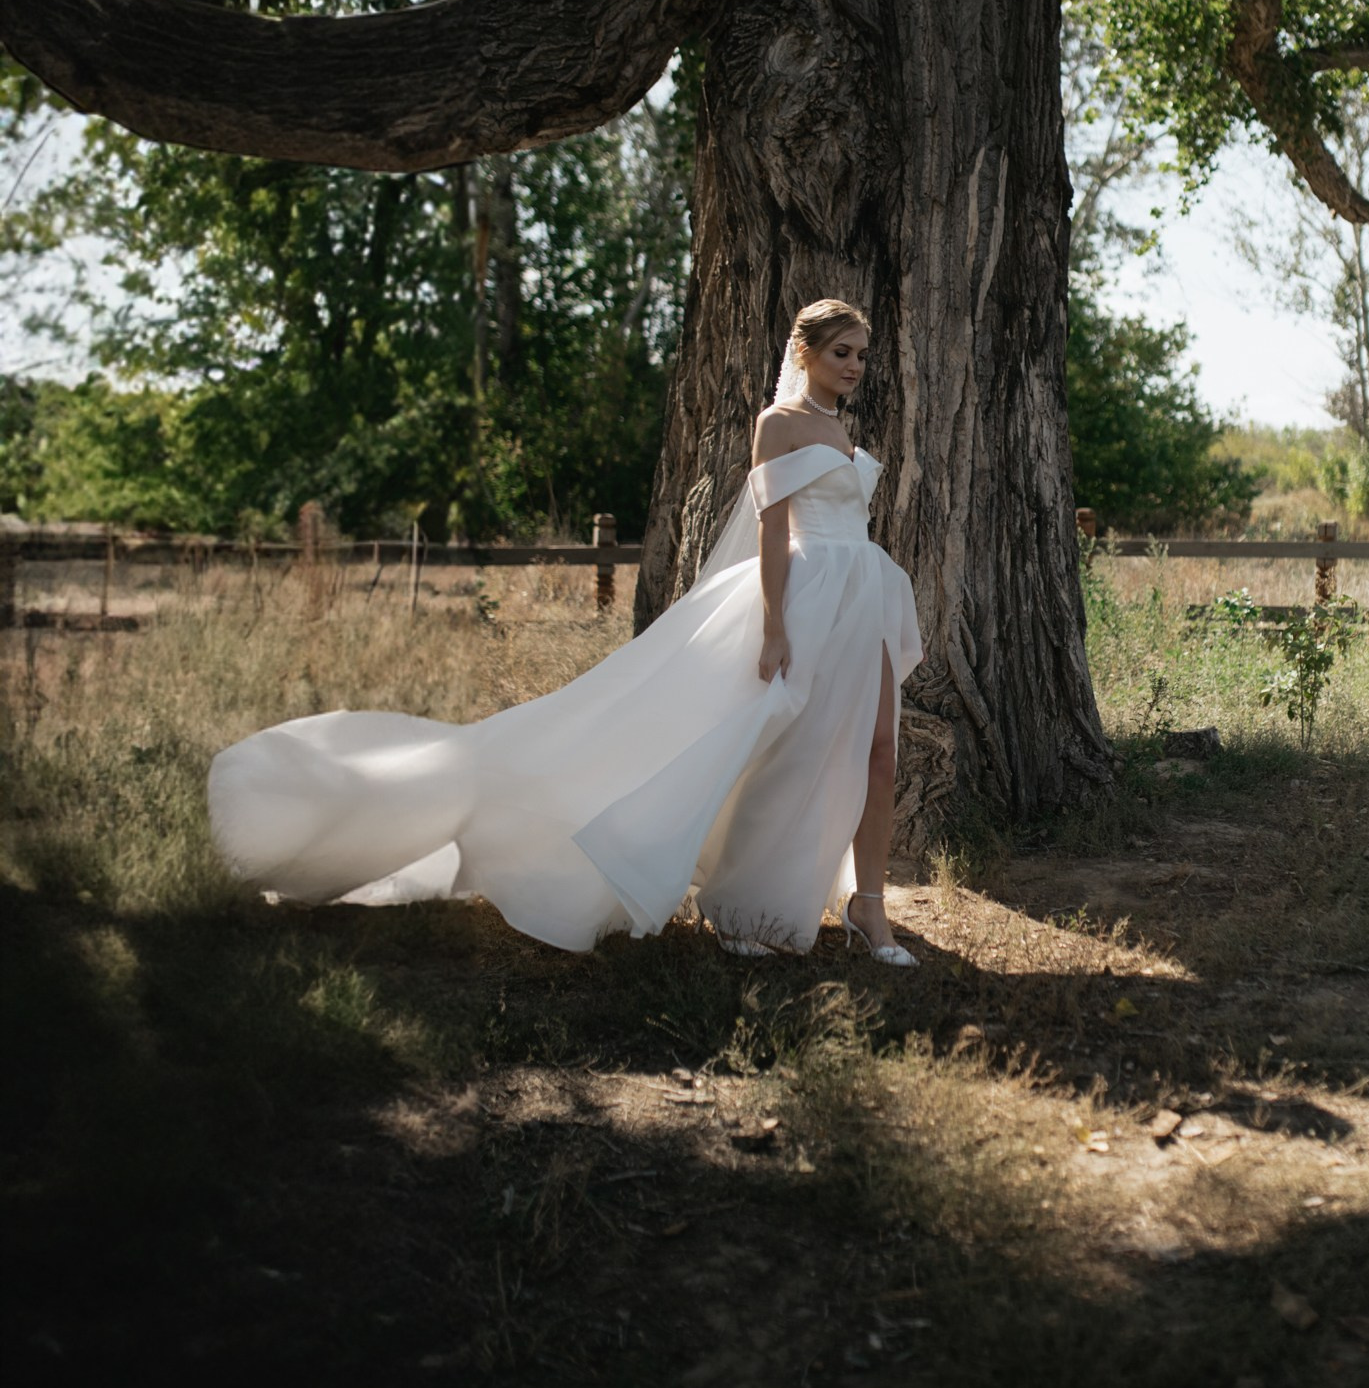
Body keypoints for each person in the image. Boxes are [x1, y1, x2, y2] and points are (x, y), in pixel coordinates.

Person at [206, 298, 923, 966]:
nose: (855, 367)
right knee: (783, 750)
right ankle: (750, 898)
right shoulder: (780, 424)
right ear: (807, 352)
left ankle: (868, 905)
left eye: (861, 355)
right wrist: (773, 628)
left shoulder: (839, 427)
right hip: (805, 597)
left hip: (863, 593)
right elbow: (772, 533)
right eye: (842, 354)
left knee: (879, 749)